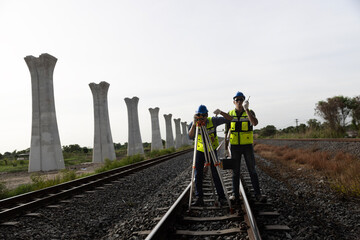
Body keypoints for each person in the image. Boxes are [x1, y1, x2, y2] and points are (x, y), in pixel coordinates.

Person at [225, 91, 266, 203]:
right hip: (235, 147)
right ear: (234, 101)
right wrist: (225, 146)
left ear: (244, 101)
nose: (239, 101)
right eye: (237, 100)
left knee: (252, 170)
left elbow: (255, 123)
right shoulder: (230, 113)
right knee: (235, 171)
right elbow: (227, 130)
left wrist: (246, 109)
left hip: (247, 146)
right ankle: (235, 195)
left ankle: (258, 194)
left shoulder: (250, 111)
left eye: (241, 99)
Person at [188, 104, 233, 206]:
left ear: (207, 114)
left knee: (215, 173)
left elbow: (230, 119)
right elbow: (190, 136)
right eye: (199, 115)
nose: (201, 117)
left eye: (203, 115)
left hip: (211, 150)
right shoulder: (194, 123)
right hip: (199, 151)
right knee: (197, 174)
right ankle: (199, 198)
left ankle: (221, 197)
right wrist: (194, 124)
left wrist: (221, 112)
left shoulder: (213, 120)